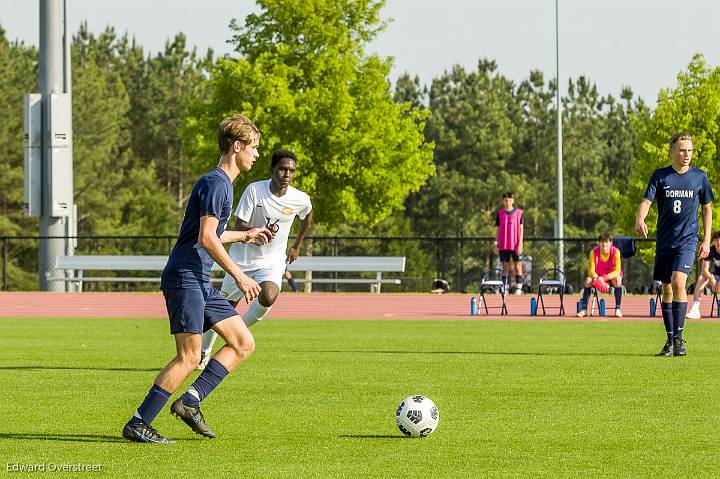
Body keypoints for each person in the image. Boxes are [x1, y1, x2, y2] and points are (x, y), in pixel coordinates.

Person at [122, 115, 274, 443]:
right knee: (189, 357)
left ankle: (191, 402)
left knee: (243, 342)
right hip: (186, 278)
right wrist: (240, 275)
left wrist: (245, 235)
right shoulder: (218, 183)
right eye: (254, 148)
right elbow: (206, 238)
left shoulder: (220, 183)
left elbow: (213, 233)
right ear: (237, 147)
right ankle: (139, 422)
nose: (257, 155)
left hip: (200, 280)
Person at [196, 148, 313, 370]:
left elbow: (307, 217)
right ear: (272, 170)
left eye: (291, 171)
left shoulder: (300, 198)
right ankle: (204, 351)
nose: (287, 175)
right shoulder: (254, 190)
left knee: (269, 295)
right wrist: (257, 231)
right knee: (224, 308)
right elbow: (240, 226)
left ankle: (238, 334)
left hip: (272, 261)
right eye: (282, 169)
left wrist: (296, 246)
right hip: (242, 260)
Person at [635, 132, 713, 357]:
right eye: (682, 150)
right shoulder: (660, 176)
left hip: (687, 241)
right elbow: (646, 201)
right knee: (666, 288)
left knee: (680, 282)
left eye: (689, 150)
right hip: (665, 242)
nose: (686, 154)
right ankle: (670, 341)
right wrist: (640, 219)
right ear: (671, 152)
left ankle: (679, 340)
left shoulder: (700, 177)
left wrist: (706, 240)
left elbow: (707, 208)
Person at [577, 232, 624, 318]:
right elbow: (591, 270)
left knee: (618, 280)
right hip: (598, 277)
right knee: (588, 281)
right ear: (599, 243)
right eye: (602, 242)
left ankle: (618, 308)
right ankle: (583, 309)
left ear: (611, 243)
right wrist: (596, 278)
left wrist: (604, 278)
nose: (604, 244)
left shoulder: (616, 252)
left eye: (606, 242)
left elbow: (617, 271)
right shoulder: (593, 252)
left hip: (611, 277)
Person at [494, 192, 524, 294]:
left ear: (513, 201)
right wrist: (495, 243)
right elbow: (498, 229)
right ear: (503, 201)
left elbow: (521, 230)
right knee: (505, 267)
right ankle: (505, 288)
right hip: (504, 244)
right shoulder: (500, 213)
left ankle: (518, 289)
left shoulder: (519, 213)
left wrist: (520, 244)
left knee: (517, 266)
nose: (508, 202)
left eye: (510, 200)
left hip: (515, 244)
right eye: (506, 200)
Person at [686, 231, 720, 319]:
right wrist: (712, 279)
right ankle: (695, 308)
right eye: (716, 240)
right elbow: (704, 270)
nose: (718, 243)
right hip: (715, 278)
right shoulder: (710, 250)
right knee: (702, 278)